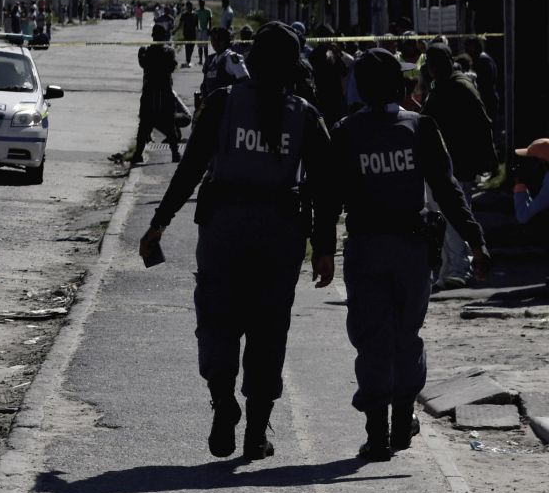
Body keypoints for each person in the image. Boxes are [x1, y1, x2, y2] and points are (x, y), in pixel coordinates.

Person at [138, 23, 336, 461]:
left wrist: (159, 223)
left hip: (223, 234)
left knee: (218, 322)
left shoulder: (223, 103)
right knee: (269, 332)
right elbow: (326, 187)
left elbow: (190, 168)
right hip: (279, 239)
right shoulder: (305, 115)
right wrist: (325, 248)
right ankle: (256, 433)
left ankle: (224, 402)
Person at [326, 48, 489, 460]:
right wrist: (475, 239)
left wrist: (323, 248)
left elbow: (328, 197)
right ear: (398, 85)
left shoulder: (346, 131)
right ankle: (401, 422)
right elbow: (448, 190)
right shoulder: (420, 127)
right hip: (412, 252)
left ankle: (377, 434)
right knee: (406, 335)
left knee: (372, 339)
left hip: (366, 250)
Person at [418, 42, 497, 290]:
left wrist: (489, 160)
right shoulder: (442, 86)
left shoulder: (460, 86)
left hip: (459, 165)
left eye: (434, 65)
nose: (432, 70)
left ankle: (458, 269)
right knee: (444, 220)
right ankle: (448, 270)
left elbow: (482, 123)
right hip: (443, 165)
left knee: (454, 219)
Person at [130, 24, 184, 166]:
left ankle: (139, 154)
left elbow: (147, 63)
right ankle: (174, 153)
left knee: (148, 125)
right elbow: (170, 66)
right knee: (163, 124)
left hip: (155, 91)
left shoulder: (149, 52)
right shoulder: (165, 52)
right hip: (160, 91)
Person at [178, 2, 201, 68]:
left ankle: (188, 59)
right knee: (187, 47)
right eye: (188, 7)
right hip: (186, 34)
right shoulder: (184, 15)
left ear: (191, 7)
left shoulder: (195, 15)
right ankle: (188, 60)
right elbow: (180, 24)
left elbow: (198, 24)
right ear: (186, 7)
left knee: (191, 48)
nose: (189, 8)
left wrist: (199, 29)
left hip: (193, 34)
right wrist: (175, 31)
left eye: (190, 6)